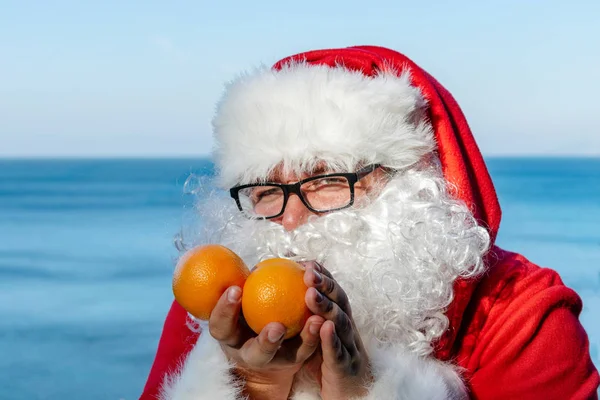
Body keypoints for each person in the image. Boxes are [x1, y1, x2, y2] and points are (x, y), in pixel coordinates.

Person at [140, 46, 599, 399]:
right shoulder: (220, 308)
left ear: (415, 180)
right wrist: (255, 385)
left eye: (326, 180)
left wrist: (365, 391)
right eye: (264, 191)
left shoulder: (522, 317)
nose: (291, 220)